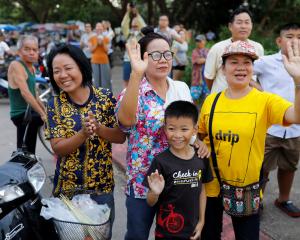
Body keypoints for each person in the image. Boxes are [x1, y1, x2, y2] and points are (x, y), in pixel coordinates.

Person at [198, 40, 300, 240]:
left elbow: (296, 115)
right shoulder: (211, 101)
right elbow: (200, 135)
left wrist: (298, 80)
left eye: (247, 62)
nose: (241, 67)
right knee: (208, 235)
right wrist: (197, 142)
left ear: (253, 68)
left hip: (245, 190)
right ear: (223, 68)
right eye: (234, 62)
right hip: (211, 186)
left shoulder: (265, 101)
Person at [116, 26, 209, 240]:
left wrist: (196, 141)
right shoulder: (133, 91)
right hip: (143, 181)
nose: (163, 59)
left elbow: (185, 123)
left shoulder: (181, 88)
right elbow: (126, 122)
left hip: (178, 182)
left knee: (174, 234)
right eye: (155, 55)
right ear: (142, 58)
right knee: (137, 234)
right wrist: (136, 75)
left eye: (167, 54)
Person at [45, 44, 126, 238]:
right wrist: (82, 134)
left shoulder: (104, 98)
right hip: (68, 191)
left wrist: (99, 129)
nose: (63, 75)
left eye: (68, 68)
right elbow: (58, 148)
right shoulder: (54, 105)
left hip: (101, 190)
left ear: (82, 66)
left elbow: (120, 136)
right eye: (57, 71)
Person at [144, 100, 213, 239]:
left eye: (184, 129)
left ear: (195, 129)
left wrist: (202, 221)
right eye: (171, 129)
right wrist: (155, 193)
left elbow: (202, 191)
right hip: (165, 234)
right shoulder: (160, 161)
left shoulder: (201, 157)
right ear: (165, 129)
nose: (177, 135)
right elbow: (150, 202)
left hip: (192, 231)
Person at [253, 23, 300, 218]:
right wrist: (259, 90)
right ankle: (257, 200)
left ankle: (283, 199)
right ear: (279, 41)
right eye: (289, 36)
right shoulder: (266, 61)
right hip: (270, 127)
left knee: (289, 166)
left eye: (299, 36)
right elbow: (244, 71)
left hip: (296, 128)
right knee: (262, 167)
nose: (295, 41)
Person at [204, 7, 264, 93]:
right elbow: (209, 77)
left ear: (251, 25)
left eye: (247, 22)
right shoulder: (217, 48)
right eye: (239, 22)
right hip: (222, 99)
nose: (243, 26)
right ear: (230, 26)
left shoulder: (258, 47)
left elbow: (258, 76)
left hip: (248, 100)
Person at [7, 35, 45, 154]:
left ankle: (29, 161)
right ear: (19, 51)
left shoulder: (32, 68)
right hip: (20, 114)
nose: (31, 53)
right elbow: (26, 93)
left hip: (29, 112)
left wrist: (45, 112)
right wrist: (42, 114)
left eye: (35, 50)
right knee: (24, 150)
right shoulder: (16, 65)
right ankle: (22, 164)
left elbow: (35, 95)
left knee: (47, 116)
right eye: (27, 49)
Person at [122, 17, 144, 87]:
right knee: (126, 80)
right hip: (128, 59)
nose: (134, 27)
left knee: (140, 80)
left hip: (139, 60)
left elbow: (144, 26)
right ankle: (125, 95)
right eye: (133, 25)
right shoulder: (128, 34)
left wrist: (138, 15)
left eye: (136, 25)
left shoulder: (142, 35)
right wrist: (128, 12)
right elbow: (123, 25)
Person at [89, 22, 111, 90]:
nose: (99, 28)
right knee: (96, 81)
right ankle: (97, 96)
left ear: (102, 28)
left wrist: (102, 43)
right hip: (95, 61)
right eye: (97, 27)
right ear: (95, 29)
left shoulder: (106, 38)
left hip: (104, 60)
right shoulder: (92, 38)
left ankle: (106, 96)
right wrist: (97, 43)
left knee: (105, 81)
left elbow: (107, 50)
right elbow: (91, 50)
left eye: (100, 27)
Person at [191, 34, 210, 105]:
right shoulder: (194, 51)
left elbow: (211, 60)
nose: (198, 43)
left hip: (207, 77)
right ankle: (194, 112)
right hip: (197, 78)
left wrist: (204, 59)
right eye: (197, 41)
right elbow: (198, 61)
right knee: (194, 96)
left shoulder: (208, 50)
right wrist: (206, 59)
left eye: (200, 41)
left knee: (207, 96)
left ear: (204, 41)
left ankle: (204, 112)